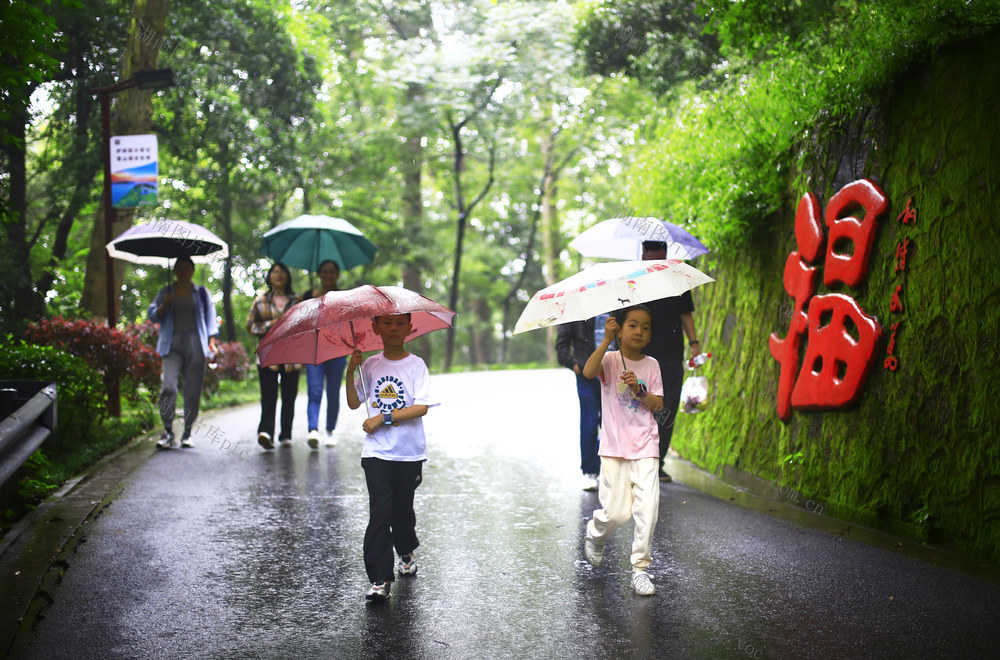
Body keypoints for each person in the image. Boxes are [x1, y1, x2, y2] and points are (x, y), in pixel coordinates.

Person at [345, 313, 436, 602]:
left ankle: (406, 551)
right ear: (375, 327)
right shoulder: (370, 365)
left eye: (400, 323)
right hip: (377, 453)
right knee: (380, 513)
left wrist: (383, 417)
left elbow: (421, 407)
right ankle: (379, 579)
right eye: (387, 323)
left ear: (410, 327)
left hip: (408, 453)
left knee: (402, 512)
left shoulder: (416, 365)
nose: (393, 329)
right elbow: (352, 402)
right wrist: (351, 370)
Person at [581, 305, 664, 596]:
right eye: (633, 325)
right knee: (616, 513)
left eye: (645, 327)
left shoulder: (652, 365)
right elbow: (589, 372)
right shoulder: (611, 359)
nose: (639, 331)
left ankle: (640, 570)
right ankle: (595, 534)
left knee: (647, 511)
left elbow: (659, 405)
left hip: (645, 447)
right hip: (614, 448)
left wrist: (640, 390)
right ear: (620, 328)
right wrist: (605, 340)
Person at [641, 240, 703, 482]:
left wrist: (694, 343)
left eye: (662, 258)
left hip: (671, 356)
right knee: (642, 410)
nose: (659, 263)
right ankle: (641, 460)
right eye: (654, 258)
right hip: (642, 356)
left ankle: (658, 462)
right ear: (644, 256)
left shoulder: (678, 277)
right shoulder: (634, 279)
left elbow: (685, 314)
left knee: (667, 411)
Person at [148, 255, 219, 449]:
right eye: (179, 268)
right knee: (168, 386)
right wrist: (164, 304)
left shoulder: (201, 293)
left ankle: (187, 432)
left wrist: (211, 343)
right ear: (175, 271)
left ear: (192, 270)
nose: (183, 271)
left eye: (187, 268)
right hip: (171, 343)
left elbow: (211, 320)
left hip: (196, 342)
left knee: (192, 389)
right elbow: (152, 315)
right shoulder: (166, 291)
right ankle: (168, 430)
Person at [246, 262, 301, 449]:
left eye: (282, 272)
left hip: (292, 356)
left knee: (289, 396)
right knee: (268, 395)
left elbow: (305, 327)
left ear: (287, 277)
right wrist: (272, 324)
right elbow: (251, 326)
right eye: (275, 272)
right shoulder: (260, 301)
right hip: (267, 355)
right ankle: (266, 432)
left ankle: (286, 435)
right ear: (269, 277)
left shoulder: (296, 302)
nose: (279, 275)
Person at [556, 313, 610, 491]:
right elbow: (561, 344)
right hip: (586, 374)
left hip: (614, 372)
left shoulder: (617, 304)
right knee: (589, 421)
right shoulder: (576, 309)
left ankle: (612, 471)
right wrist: (574, 364)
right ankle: (590, 471)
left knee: (614, 423)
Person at [301, 259, 348, 449]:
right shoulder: (308, 296)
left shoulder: (344, 297)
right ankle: (313, 430)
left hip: (337, 350)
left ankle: (330, 430)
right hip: (314, 350)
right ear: (319, 274)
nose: (328, 275)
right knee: (314, 390)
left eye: (332, 272)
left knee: (333, 392)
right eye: (325, 272)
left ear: (337, 275)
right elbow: (300, 319)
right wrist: (313, 300)